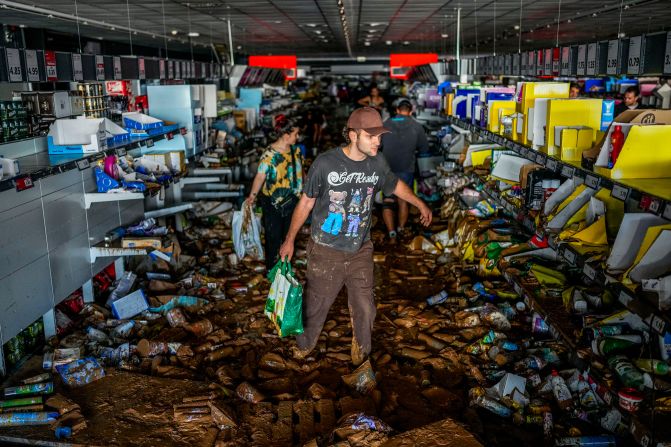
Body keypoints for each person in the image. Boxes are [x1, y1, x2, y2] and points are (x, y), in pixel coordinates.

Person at [278, 107, 432, 366]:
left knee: (366, 308)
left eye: (379, 137)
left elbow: (394, 185)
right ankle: (304, 347)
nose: (377, 142)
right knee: (316, 307)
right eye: (371, 136)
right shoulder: (325, 164)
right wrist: (290, 239)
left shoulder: (377, 162)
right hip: (326, 250)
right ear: (352, 135)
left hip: (360, 247)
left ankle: (361, 356)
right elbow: (305, 203)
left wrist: (420, 204)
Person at [245, 119, 303, 270]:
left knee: (289, 236)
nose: (297, 137)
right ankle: (272, 269)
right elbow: (260, 176)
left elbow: (301, 172)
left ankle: (285, 269)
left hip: (293, 200)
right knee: (273, 236)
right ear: (285, 134)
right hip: (272, 202)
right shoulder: (269, 154)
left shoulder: (296, 151)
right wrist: (253, 195)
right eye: (295, 134)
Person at [380, 98, 429, 243]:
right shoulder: (417, 126)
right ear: (411, 111)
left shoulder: (385, 124)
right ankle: (401, 228)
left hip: (387, 167)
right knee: (403, 199)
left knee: (388, 200)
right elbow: (424, 149)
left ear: (397, 110)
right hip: (406, 168)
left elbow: (378, 145)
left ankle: (392, 233)